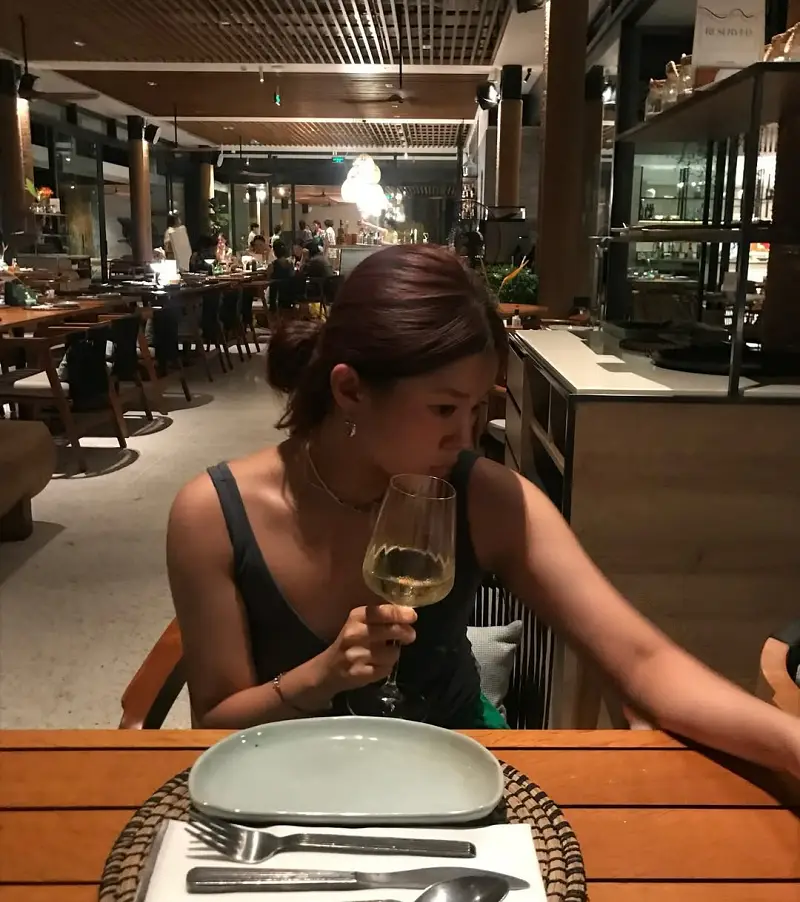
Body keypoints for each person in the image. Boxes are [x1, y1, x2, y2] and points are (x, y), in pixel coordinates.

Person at [167, 244, 800, 782]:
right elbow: (213, 724)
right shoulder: (213, 515)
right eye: (444, 409)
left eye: (477, 410)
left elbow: (644, 660)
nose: (466, 438)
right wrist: (318, 679)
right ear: (350, 390)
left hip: (457, 778)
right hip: (286, 787)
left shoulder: (485, 498)